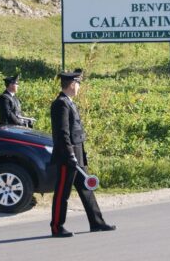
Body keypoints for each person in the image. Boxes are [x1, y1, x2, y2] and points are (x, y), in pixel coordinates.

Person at [50, 70, 116, 237]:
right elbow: (62, 133)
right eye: (78, 84)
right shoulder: (61, 104)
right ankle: (57, 227)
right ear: (72, 84)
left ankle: (97, 222)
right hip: (68, 156)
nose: (79, 87)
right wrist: (70, 154)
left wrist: (79, 155)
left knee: (86, 189)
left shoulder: (69, 102)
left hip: (78, 154)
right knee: (62, 193)